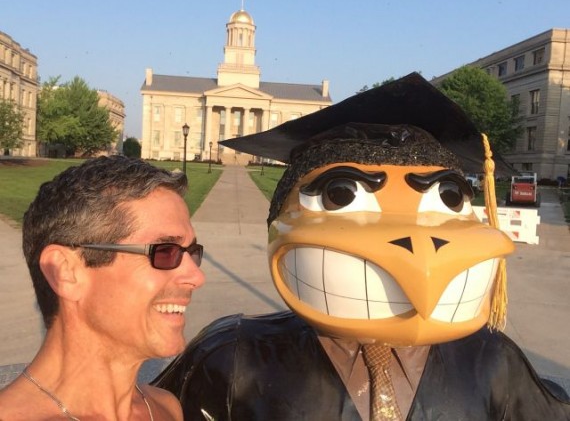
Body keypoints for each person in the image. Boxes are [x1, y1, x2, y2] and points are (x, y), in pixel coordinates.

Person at [154, 73, 570, 420]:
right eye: (339, 194)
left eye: (449, 197)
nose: (419, 246)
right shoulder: (235, 358)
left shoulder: (489, 360)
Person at [0, 156, 205, 420]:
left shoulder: (165, 408)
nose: (197, 276)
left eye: (192, 252)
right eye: (165, 251)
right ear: (65, 271)